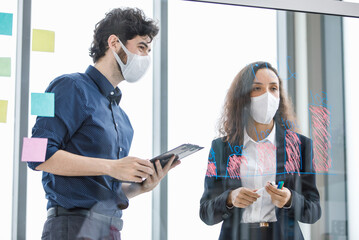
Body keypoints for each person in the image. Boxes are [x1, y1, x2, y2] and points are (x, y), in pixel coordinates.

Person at [27, 7, 180, 240]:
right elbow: (33, 154)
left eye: (149, 50)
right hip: (71, 227)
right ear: (114, 43)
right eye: (141, 47)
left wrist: (140, 187)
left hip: (110, 228)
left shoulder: (123, 120)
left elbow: (103, 188)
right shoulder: (67, 86)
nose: (146, 57)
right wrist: (111, 166)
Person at [199, 62, 321, 240]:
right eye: (257, 88)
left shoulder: (300, 146)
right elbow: (206, 213)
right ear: (243, 97)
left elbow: (314, 211)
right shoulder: (221, 148)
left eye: (273, 88)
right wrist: (230, 198)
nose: (267, 96)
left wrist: (289, 199)